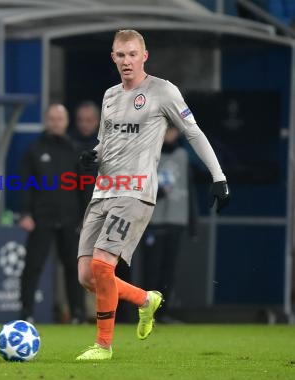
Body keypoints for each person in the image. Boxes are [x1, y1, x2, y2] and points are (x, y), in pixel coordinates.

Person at [75, 29, 230, 360]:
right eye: (121, 55)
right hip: (103, 191)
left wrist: (218, 176)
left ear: (144, 56)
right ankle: (146, 300)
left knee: (103, 267)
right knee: (88, 277)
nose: (127, 61)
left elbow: (193, 132)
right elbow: (106, 141)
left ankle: (103, 346)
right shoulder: (110, 95)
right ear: (113, 58)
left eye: (133, 54)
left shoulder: (163, 91)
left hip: (135, 192)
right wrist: (93, 155)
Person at [19, 103, 86, 324]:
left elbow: (85, 185)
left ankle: (77, 313)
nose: (57, 122)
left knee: (74, 267)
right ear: (47, 121)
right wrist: (26, 213)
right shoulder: (34, 150)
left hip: (71, 218)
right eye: (53, 118)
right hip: (41, 219)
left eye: (61, 118)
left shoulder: (76, 150)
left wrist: (87, 216)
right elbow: (25, 184)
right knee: (33, 265)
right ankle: (26, 313)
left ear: (66, 122)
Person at [141, 125, 198, 323]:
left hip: (176, 221)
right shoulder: (149, 155)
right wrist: (157, 193)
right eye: (165, 131)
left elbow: (189, 190)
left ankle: (163, 313)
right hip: (153, 222)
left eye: (172, 131)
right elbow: (138, 186)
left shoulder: (183, 155)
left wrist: (193, 224)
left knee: (169, 270)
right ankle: (147, 312)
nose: (169, 135)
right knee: (151, 269)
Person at [70, 100, 100, 209]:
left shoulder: (107, 146)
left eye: (88, 120)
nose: (84, 124)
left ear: (97, 121)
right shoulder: (68, 145)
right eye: (80, 120)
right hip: (74, 207)